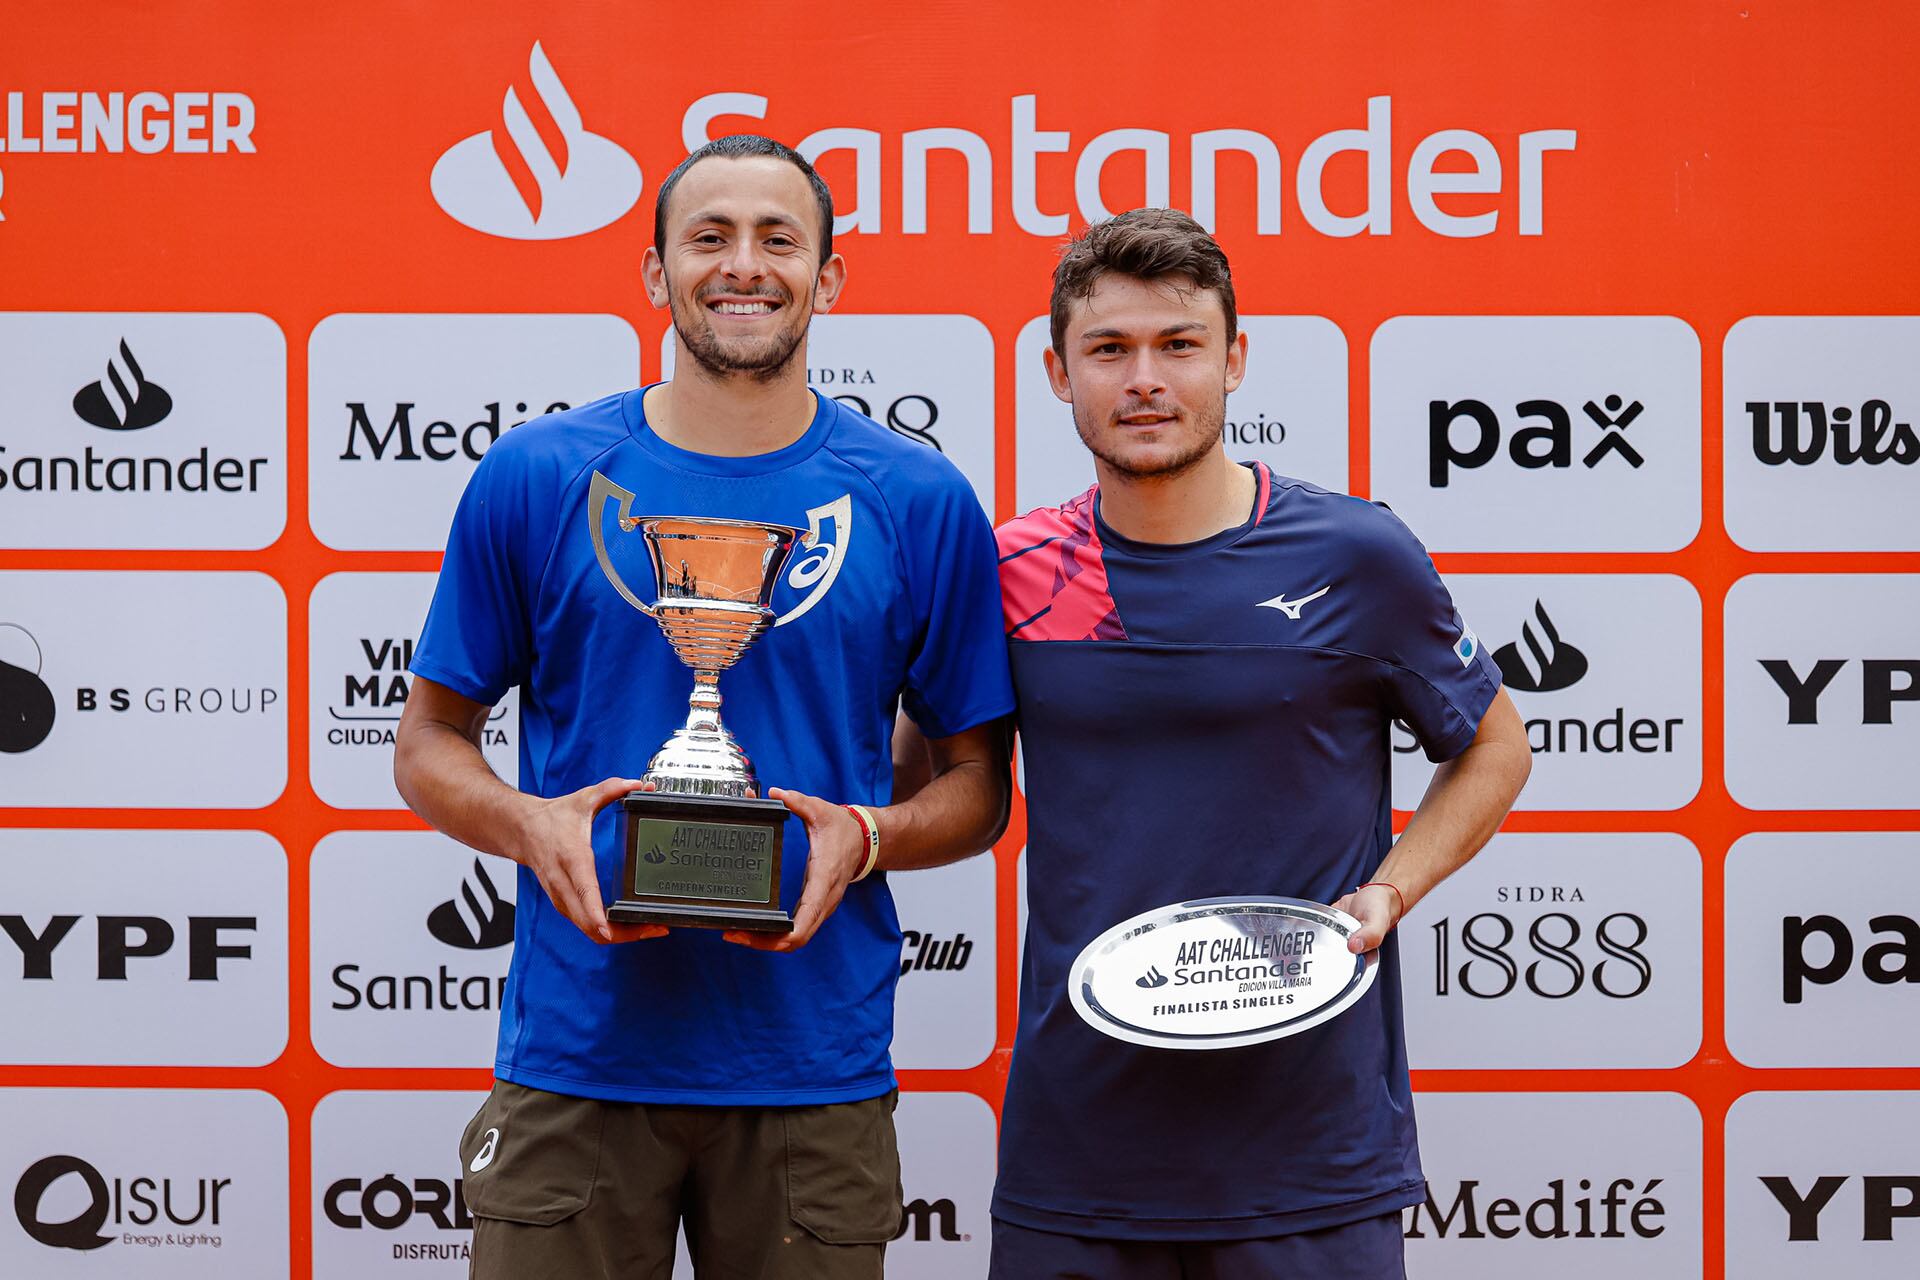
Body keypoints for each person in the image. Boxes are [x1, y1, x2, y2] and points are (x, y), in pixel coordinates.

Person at [394, 134, 1013, 1279]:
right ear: (654, 270)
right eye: (710, 237)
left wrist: (865, 834)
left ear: (829, 277)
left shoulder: (917, 498)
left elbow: (981, 789)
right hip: (579, 1061)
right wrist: (531, 823)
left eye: (780, 239)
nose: (745, 265)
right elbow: (429, 741)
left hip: (810, 1070)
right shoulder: (539, 474)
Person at [985, 209, 1532, 1278]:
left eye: (1179, 345)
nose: (1145, 378)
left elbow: (1494, 746)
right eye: (1109, 349)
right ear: (1058, 371)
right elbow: (932, 775)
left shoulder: (1356, 551)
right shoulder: (1013, 568)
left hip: (1309, 1154)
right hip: (1079, 1148)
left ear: (1233, 360)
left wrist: (1393, 888)